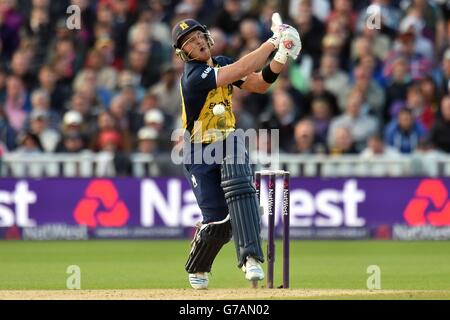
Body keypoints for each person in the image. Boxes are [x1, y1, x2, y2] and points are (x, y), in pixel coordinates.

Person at [171, 17, 301, 289]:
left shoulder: (220, 62)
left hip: (228, 140)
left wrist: (282, 56)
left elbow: (259, 83)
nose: (197, 43)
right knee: (218, 221)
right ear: (185, 53)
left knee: (241, 188)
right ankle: (198, 265)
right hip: (198, 152)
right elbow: (237, 70)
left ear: (207, 37)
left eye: (198, 37)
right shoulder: (194, 77)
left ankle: (251, 257)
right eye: (189, 43)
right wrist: (272, 42)